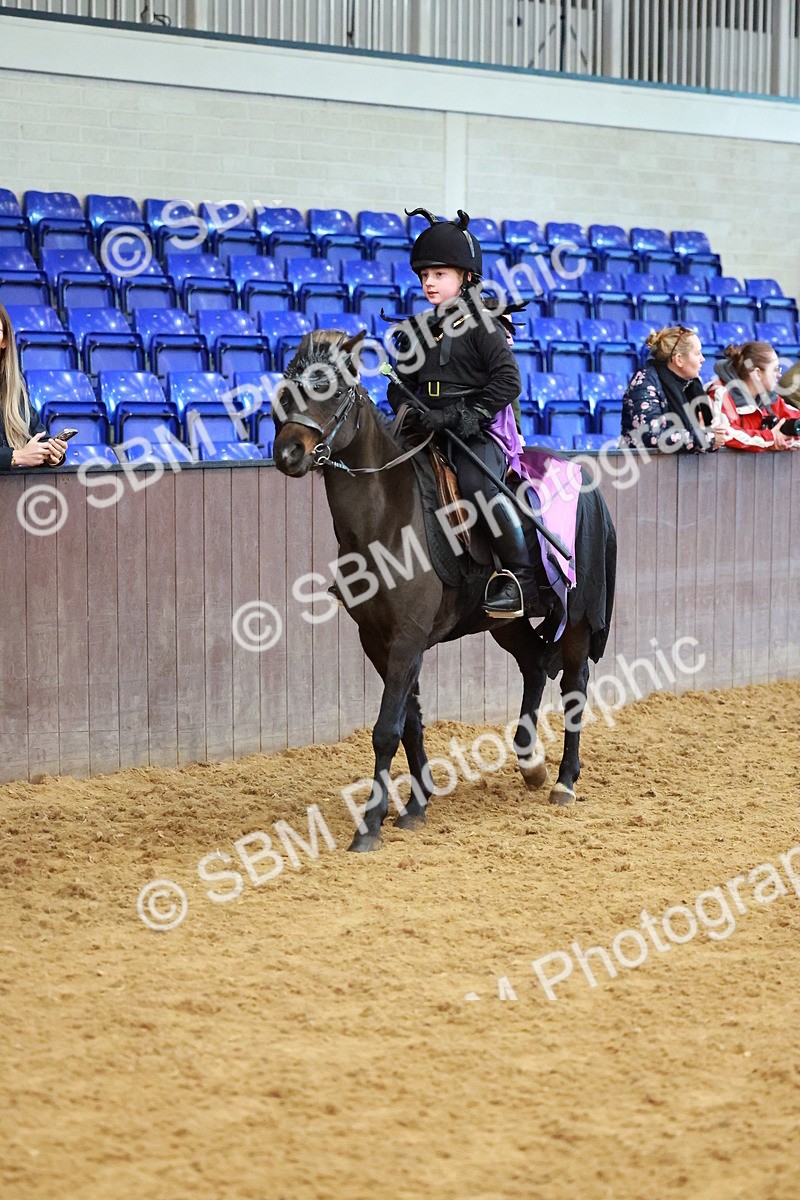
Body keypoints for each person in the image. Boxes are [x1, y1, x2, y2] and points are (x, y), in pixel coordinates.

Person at [388, 209, 534, 618]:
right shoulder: (417, 329)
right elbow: (398, 385)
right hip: (425, 428)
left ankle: (520, 577)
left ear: (466, 276)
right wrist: (409, 408)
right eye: (424, 276)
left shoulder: (484, 325)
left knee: (477, 486)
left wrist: (461, 416)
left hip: (476, 430)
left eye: (439, 274)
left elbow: (508, 382)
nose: (429, 283)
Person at [620, 324, 724, 453]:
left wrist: (717, 431)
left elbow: (701, 430)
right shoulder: (645, 382)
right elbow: (651, 435)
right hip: (640, 464)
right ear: (679, 359)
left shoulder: (691, 385)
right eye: (697, 354)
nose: (702, 359)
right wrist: (706, 439)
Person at [0, 303, 67, 470]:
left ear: (4, 341)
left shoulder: (15, 389)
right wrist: (15, 456)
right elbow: (22, 455)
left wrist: (51, 454)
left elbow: (39, 437)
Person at [705, 340, 800, 452]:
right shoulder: (720, 393)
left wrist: (789, 439)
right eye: (775, 370)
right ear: (757, 373)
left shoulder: (770, 399)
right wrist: (770, 438)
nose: (779, 375)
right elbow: (727, 434)